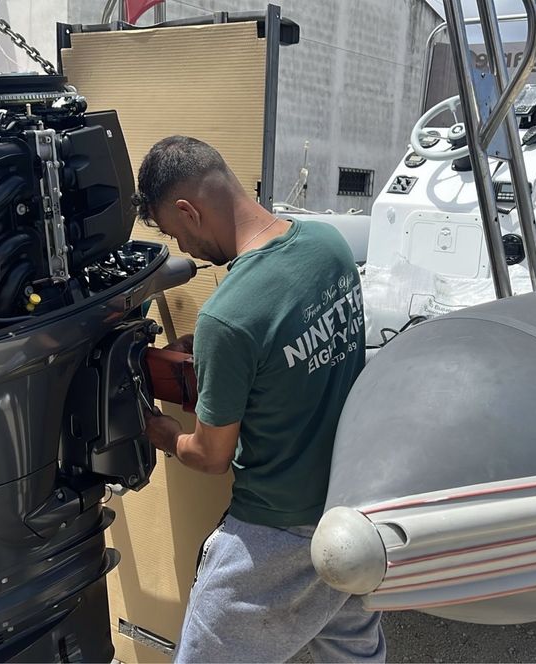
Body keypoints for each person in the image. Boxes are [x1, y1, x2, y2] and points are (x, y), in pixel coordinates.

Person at [132, 136, 384, 663]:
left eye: (179, 235)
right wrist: (223, 371)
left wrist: (161, 432)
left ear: (188, 210)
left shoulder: (228, 317)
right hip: (350, 511)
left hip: (275, 532)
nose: (187, 251)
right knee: (352, 653)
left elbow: (209, 455)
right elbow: (299, 365)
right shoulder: (329, 248)